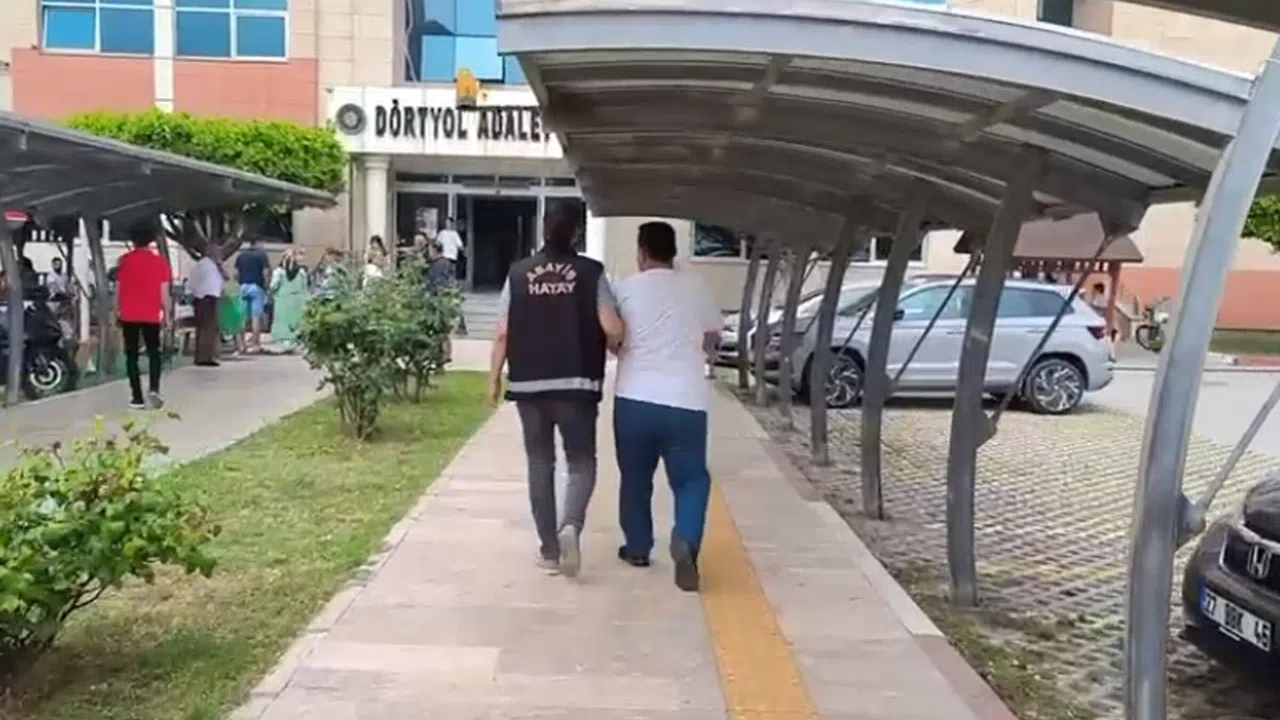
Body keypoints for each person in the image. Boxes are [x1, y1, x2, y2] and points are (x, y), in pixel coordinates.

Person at [488, 205, 624, 578]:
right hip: (577, 384)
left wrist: (493, 377)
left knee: (539, 463)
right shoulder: (591, 272)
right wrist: (619, 343)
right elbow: (612, 327)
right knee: (581, 461)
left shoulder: (518, 273)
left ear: (543, 229)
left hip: (528, 385)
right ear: (578, 232)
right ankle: (571, 527)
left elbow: (502, 331)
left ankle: (549, 550)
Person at [612, 221, 721, 592]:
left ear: (641, 252)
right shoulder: (696, 287)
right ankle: (687, 540)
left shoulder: (625, 289)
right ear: (673, 252)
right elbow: (712, 337)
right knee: (691, 479)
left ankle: (638, 548)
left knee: (635, 477)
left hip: (634, 399)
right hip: (686, 401)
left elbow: (614, 337)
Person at [115, 218, 172, 410]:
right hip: (151, 314)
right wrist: (167, 314)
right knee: (154, 352)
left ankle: (136, 397)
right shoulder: (160, 262)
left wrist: (116, 309)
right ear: (152, 239)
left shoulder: (125, 261)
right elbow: (164, 292)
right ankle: (154, 388)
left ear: (133, 239)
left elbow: (119, 288)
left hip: (129, 314)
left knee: (131, 355)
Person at [234, 237, 271, 353]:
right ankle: (255, 343)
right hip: (256, 286)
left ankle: (241, 344)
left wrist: (241, 282)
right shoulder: (262, 255)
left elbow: (235, 274)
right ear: (258, 243)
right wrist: (266, 286)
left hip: (243, 286)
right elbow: (266, 273)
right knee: (256, 316)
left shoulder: (241, 256)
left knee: (242, 317)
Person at [190, 245, 224, 367]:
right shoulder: (205, 265)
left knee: (208, 329)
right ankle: (205, 357)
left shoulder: (210, 265)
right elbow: (194, 283)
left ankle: (206, 355)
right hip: (206, 298)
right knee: (207, 328)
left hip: (208, 298)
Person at [269, 249, 309, 352]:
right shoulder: (301, 272)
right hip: (298, 300)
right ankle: (296, 341)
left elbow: (274, 286)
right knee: (296, 320)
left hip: (282, 299)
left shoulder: (279, 272)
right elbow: (304, 287)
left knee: (282, 321)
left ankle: (284, 342)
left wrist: (271, 294)